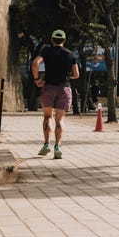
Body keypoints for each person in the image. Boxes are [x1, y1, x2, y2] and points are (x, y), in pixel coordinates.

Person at [31, 29, 79, 160]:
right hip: (65, 88)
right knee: (60, 119)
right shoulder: (70, 54)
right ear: (64, 40)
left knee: (48, 116)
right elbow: (76, 74)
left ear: (52, 40)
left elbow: (35, 64)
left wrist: (37, 80)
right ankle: (57, 147)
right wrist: (66, 75)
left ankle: (46, 144)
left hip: (49, 87)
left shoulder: (46, 51)